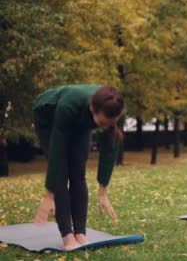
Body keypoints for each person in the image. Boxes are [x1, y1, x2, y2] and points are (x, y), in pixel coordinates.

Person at [32, 85, 125, 251]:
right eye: (102, 123)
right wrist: (48, 195)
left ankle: (80, 233)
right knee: (61, 173)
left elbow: (110, 150)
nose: (105, 126)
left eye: (109, 123)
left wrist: (103, 192)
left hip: (81, 117)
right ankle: (67, 235)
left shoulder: (113, 108)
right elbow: (57, 154)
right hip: (48, 116)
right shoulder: (69, 106)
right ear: (92, 109)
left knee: (78, 171)